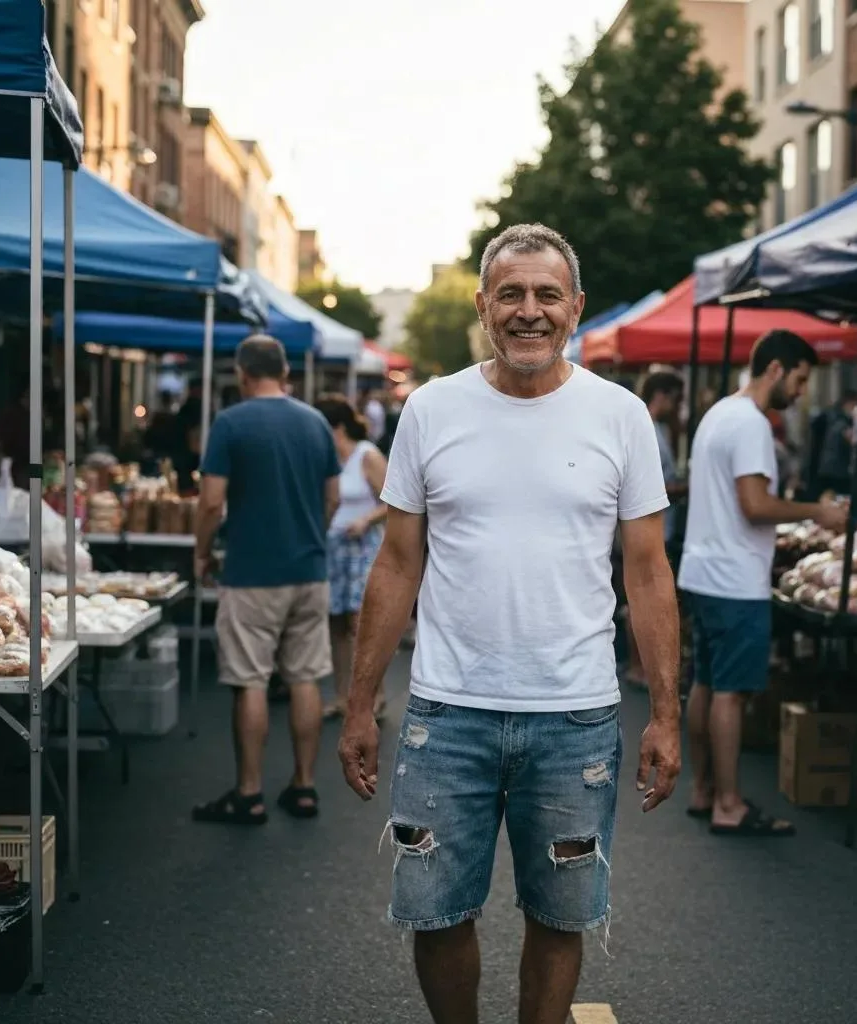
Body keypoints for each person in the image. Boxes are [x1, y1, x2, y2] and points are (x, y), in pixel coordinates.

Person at [337, 223, 682, 1024]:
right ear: (485, 305)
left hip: (575, 716)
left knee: (560, 915)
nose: (530, 311)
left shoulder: (621, 416)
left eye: (547, 295)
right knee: (435, 910)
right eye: (512, 294)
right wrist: (360, 702)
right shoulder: (431, 408)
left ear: (576, 309)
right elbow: (396, 564)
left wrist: (667, 714)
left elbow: (647, 571)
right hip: (447, 712)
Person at [679, 330, 847, 838]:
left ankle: (705, 789)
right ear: (775, 368)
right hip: (735, 579)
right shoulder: (751, 424)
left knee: (706, 684)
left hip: (703, 571)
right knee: (731, 693)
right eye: (798, 380)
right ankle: (729, 803)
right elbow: (755, 506)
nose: (799, 392)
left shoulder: (718, 413)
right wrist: (817, 510)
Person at [192, 335, 342, 825]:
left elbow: (212, 501)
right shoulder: (316, 421)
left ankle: (250, 791)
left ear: (242, 372)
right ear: (283, 371)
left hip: (251, 570)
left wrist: (201, 553)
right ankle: (304, 786)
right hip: (308, 569)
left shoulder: (231, 422)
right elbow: (333, 496)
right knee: (305, 677)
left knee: (249, 678)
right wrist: (312, 534)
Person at [315, 393, 389, 720]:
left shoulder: (366, 456)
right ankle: (342, 696)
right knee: (335, 623)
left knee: (361, 624)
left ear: (337, 428)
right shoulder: (328, 460)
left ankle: (376, 694)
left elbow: (395, 501)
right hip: (334, 547)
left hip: (363, 548)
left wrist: (366, 520)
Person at [624, 370, 687, 687]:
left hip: (656, 524)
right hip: (648, 526)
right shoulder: (643, 425)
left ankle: (639, 666)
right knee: (641, 595)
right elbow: (651, 486)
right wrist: (682, 488)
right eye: (677, 399)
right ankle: (639, 666)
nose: (679, 407)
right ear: (663, 396)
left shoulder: (658, 427)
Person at [809, 391, 857, 499]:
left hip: (825, 466)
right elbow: (851, 438)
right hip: (836, 468)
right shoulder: (841, 420)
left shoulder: (829, 416)